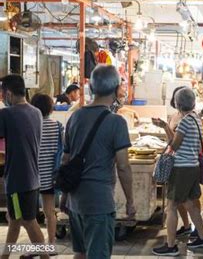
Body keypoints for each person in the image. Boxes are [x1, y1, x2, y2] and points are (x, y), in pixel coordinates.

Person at [61, 65, 136, 258]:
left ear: (92, 88)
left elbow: (66, 160)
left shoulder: (75, 116)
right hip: (99, 202)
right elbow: (123, 166)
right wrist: (130, 201)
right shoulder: (116, 122)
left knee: (79, 253)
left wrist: (64, 197)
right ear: (116, 88)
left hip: (75, 200)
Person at [152, 88, 203, 256]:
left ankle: (171, 246)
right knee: (191, 204)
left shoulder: (185, 121)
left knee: (171, 206)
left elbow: (174, 144)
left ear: (177, 104)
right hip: (192, 166)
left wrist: (165, 129)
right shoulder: (196, 119)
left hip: (181, 168)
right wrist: (165, 126)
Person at [0, 75, 49, 259]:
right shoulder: (36, 112)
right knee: (15, 220)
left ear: (9, 93)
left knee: (29, 222)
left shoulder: (7, 114)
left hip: (17, 179)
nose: (3, 98)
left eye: (3, 94)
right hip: (32, 177)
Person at [31, 94, 64, 249]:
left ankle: (37, 245)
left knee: (29, 215)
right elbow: (63, 151)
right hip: (51, 176)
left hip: (32, 176)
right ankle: (51, 243)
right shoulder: (57, 126)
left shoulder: (30, 125)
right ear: (50, 108)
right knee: (50, 211)